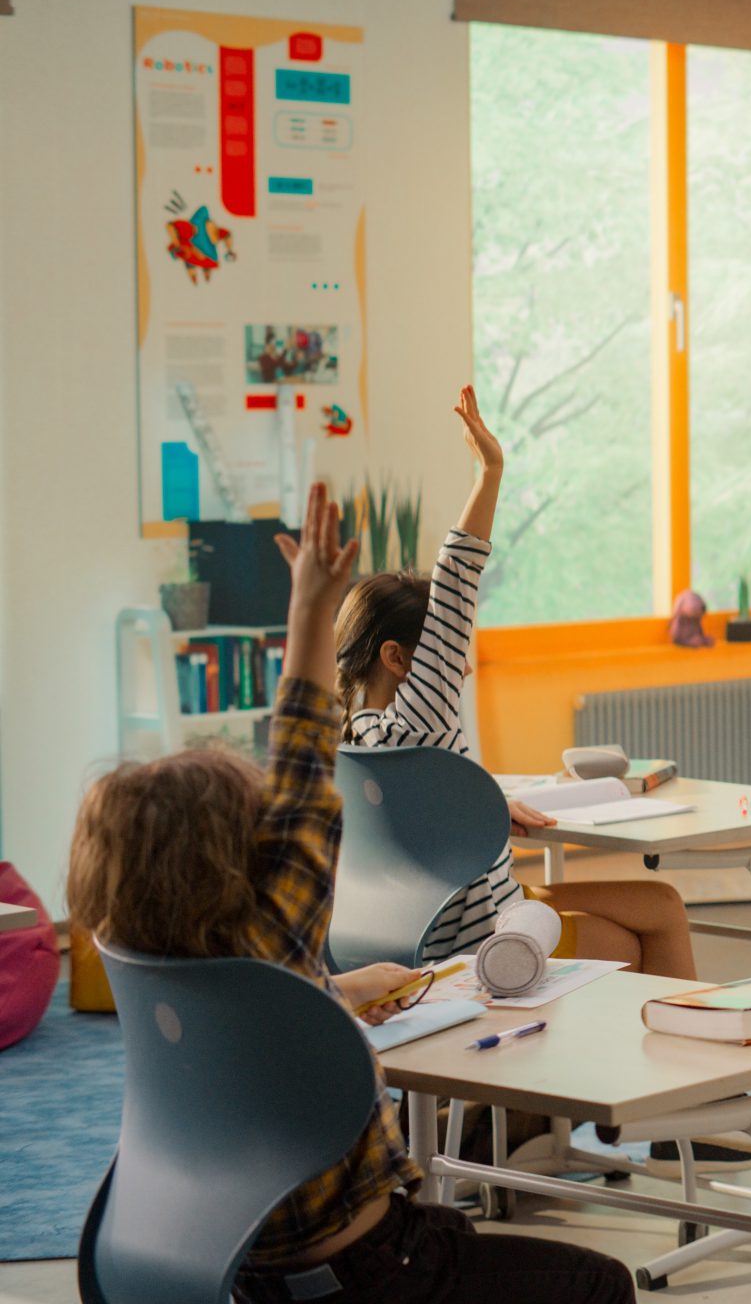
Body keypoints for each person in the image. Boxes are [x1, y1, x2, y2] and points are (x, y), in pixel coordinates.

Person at [67, 482, 634, 1304]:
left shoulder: (149, 967)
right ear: (235, 864)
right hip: (374, 1275)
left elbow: (302, 776)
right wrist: (308, 614)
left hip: (240, 1276)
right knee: (599, 1284)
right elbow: (300, 782)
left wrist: (329, 993)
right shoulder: (274, 934)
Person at [335, 386, 694, 978]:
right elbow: (455, 580)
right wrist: (491, 471)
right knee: (643, 931)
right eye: (449, 658)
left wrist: (482, 806)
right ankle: (690, 1059)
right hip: (486, 933)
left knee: (658, 905)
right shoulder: (417, 717)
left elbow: (417, 817)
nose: (462, 668)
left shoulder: (356, 742)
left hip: (438, 928)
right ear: (398, 659)